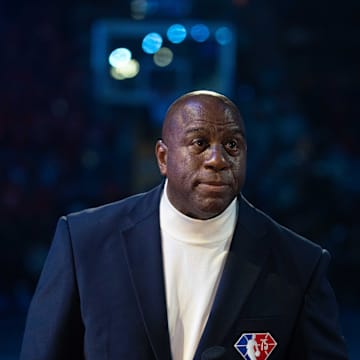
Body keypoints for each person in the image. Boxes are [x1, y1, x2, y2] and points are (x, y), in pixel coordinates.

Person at [20, 90, 348, 360]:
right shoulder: (84, 242)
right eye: (199, 143)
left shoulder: (301, 264)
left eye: (232, 145)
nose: (218, 159)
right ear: (163, 158)